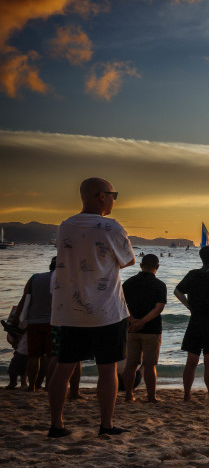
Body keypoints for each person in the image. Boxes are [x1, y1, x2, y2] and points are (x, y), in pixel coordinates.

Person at [48, 177, 136, 438]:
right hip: (107, 311)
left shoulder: (65, 226)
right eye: (113, 195)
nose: (113, 199)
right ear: (101, 196)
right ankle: (106, 425)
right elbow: (129, 260)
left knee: (63, 368)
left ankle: (56, 424)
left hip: (68, 311)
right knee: (107, 370)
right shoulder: (110, 227)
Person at [175, 245, 209, 404]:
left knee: (191, 361)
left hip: (195, 321)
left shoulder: (193, 274)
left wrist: (188, 306)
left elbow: (177, 291)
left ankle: (187, 395)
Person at [122, 254, 166, 403]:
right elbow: (159, 308)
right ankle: (151, 396)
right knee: (149, 365)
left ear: (141, 266)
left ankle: (129, 395)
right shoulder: (160, 285)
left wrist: (133, 321)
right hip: (152, 329)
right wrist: (143, 321)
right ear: (157, 267)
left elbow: (121, 305)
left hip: (131, 329)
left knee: (131, 364)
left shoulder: (128, 283)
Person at [18, 256, 55, 390]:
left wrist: (17, 319)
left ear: (50, 266)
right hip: (54, 323)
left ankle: (31, 386)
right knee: (51, 357)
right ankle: (48, 385)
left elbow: (23, 299)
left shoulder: (34, 278)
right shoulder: (63, 279)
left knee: (33, 356)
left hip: (34, 322)